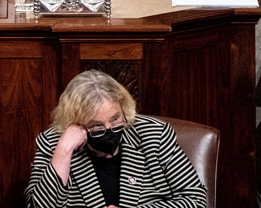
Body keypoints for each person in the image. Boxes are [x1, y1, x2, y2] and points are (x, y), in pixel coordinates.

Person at [25, 70, 206, 207]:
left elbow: (196, 199)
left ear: (124, 109)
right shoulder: (54, 143)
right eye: (97, 126)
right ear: (75, 123)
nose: (109, 130)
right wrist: (64, 150)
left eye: (115, 119)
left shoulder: (154, 135)